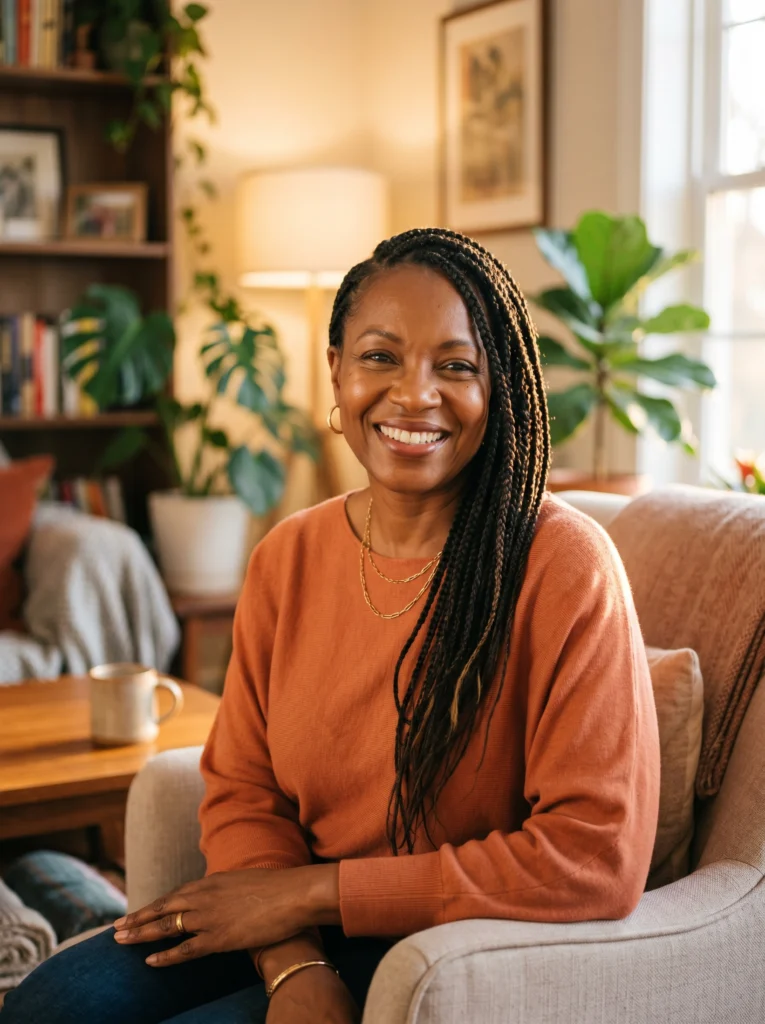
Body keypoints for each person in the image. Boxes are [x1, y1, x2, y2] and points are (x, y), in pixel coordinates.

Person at [1, 228, 660, 1024]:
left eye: (455, 366)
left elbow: (596, 856)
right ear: (336, 372)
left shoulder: (563, 564)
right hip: (295, 921)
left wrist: (308, 895)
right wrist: (293, 963)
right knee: (50, 1003)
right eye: (380, 357)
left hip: (452, 938)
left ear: (502, 391)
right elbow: (243, 788)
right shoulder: (288, 554)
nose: (414, 394)